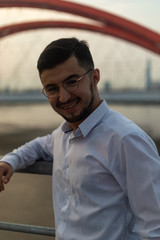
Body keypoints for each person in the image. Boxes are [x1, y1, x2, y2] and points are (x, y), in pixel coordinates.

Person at [0, 37, 160, 240]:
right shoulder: (63, 135)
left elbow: (154, 228)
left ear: (94, 77)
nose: (63, 97)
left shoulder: (126, 139)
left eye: (71, 82)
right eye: (52, 89)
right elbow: (39, 146)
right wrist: (10, 160)